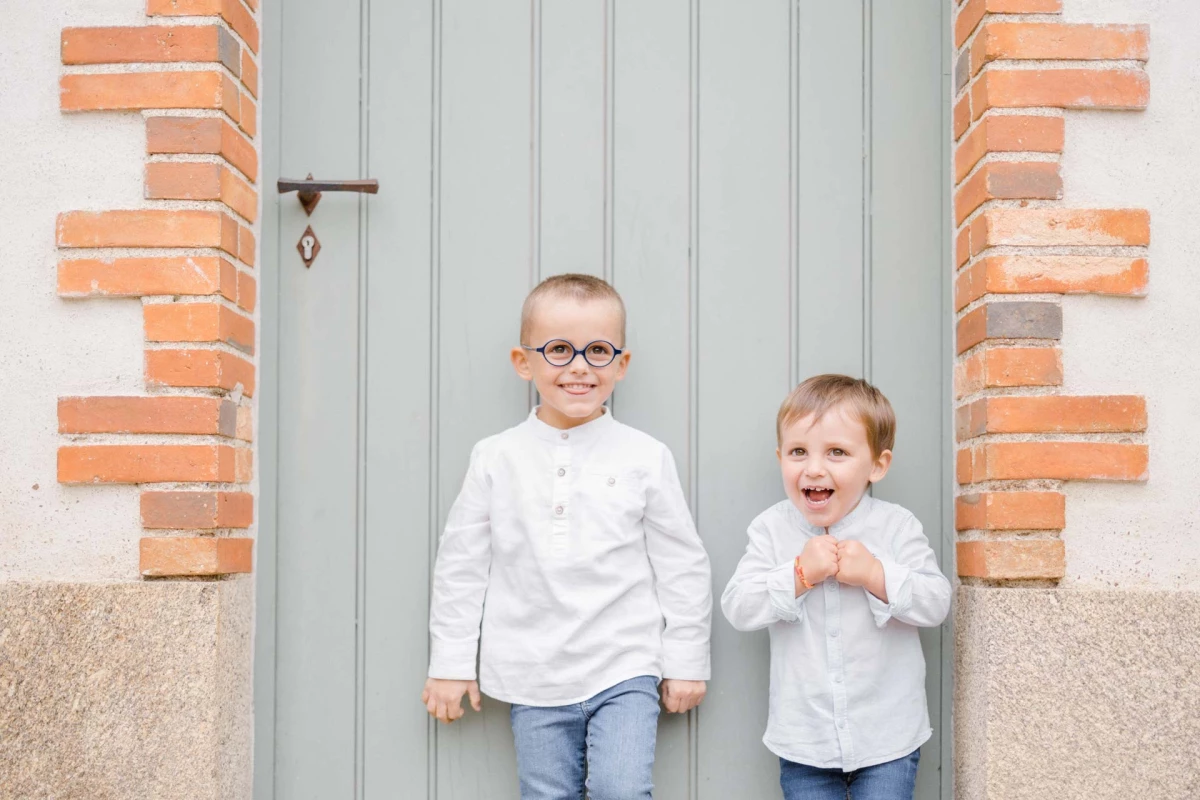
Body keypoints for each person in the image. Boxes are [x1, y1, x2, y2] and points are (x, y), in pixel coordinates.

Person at [422, 273, 712, 800]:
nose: (579, 366)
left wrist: (687, 660)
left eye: (598, 350)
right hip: (532, 670)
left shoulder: (645, 456)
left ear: (621, 365)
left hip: (625, 664)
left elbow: (682, 564)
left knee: (621, 791)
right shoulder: (496, 457)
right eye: (558, 350)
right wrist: (450, 663)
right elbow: (461, 564)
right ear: (523, 362)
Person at [721, 374, 951, 800]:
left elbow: (936, 602)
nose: (813, 468)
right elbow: (738, 606)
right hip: (804, 741)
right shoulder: (771, 529)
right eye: (798, 452)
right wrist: (799, 575)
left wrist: (874, 575)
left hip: (888, 737)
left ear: (877, 466)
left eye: (837, 453)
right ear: (780, 458)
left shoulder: (897, 526)